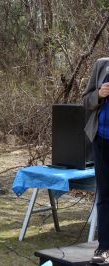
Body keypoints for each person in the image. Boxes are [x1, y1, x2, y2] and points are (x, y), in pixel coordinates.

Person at [84, 57, 109, 264]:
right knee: (104, 195)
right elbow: (86, 100)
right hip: (101, 141)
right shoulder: (102, 65)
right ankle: (104, 248)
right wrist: (99, 95)